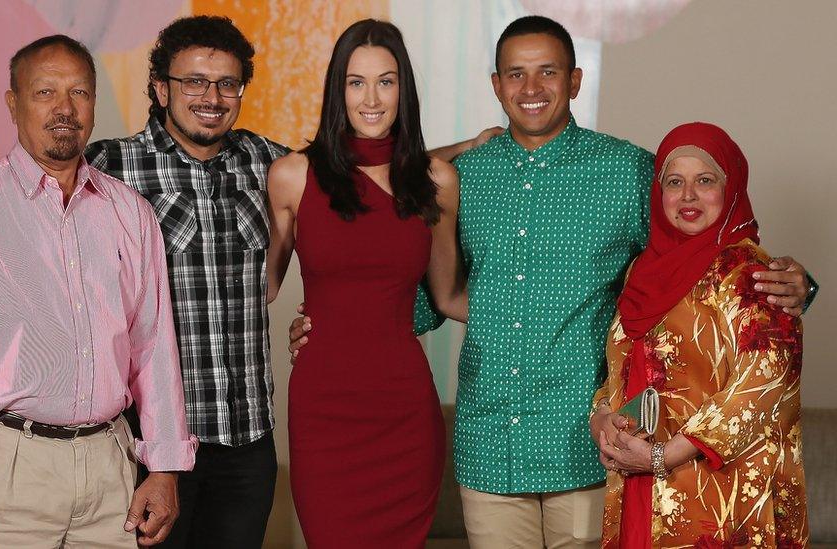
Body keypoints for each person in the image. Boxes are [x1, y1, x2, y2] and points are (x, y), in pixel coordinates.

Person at [288, 15, 814, 548]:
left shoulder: (627, 171)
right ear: (496, 85)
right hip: (490, 445)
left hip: (592, 448)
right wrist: (327, 324)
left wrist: (798, 283)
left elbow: (704, 254)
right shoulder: (460, 179)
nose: (531, 88)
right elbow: (412, 291)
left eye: (548, 72)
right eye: (515, 74)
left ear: (576, 81)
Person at [0, 17, 283, 548]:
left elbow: (152, 339)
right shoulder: (97, 173)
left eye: (227, 83)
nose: (212, 95)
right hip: (39, 454)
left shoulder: (259, 165)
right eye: (45, 92)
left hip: (205, 441)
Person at [265, 19, 466, 548]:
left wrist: (563, 310)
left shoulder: (437, 181)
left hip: (404, 412)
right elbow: (260, 288)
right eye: (356, 82)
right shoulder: (293, 176)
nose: (372, 98)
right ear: (338, 90)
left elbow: (447, 296)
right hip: (324, 411)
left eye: (386, 80)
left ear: (405, 89)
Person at [589, 122, 808, 547]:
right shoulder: (641, 272)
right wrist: (602, 417)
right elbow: (624, 365)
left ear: (731, 190)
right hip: (640, 485)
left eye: (704, 180)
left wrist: (665, 454)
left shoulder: (756, 276)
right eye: (675, 182)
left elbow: (765, 382)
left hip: (718, 493)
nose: (687, 195)